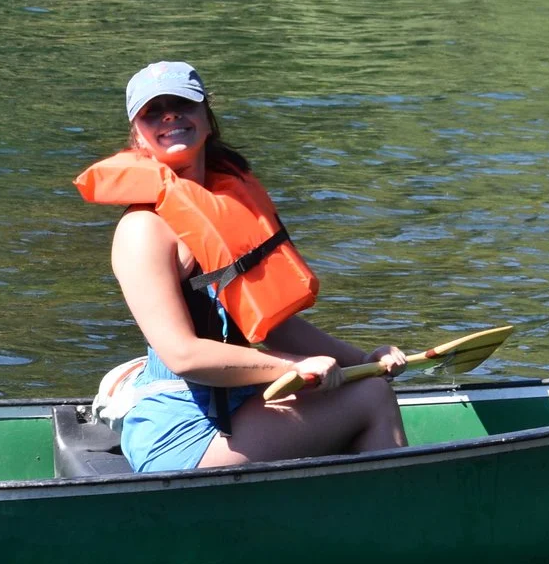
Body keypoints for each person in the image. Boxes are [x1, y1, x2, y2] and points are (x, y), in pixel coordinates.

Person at [75, 62, 406, 471]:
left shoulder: (227, 206)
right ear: (138, 134)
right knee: (371, 398)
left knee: (370, 384)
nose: (170, 116)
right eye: (152, 111)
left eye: (182, 104)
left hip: (236, 404)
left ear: (207, 119)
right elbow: (184, 356)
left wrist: (363, 360)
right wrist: (293, 367)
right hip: (181, 427)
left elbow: (269, 323)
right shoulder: (142, 229)